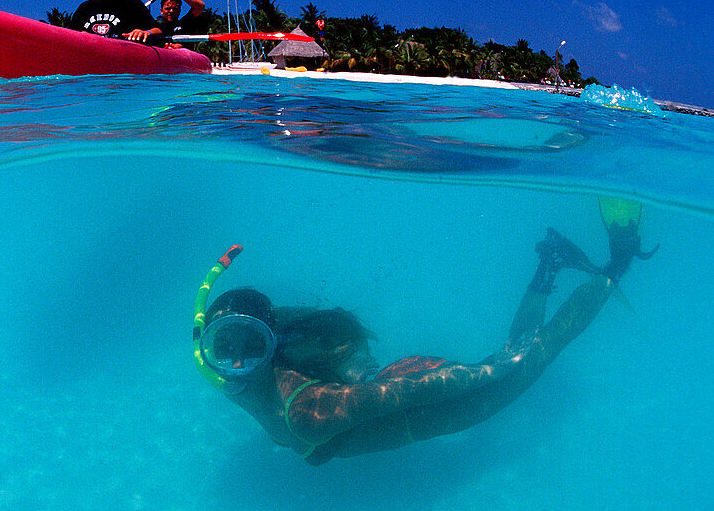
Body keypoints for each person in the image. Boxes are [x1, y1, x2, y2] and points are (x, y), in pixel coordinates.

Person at [192, 199, 656, 465]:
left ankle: (618, 260)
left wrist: (495, 370)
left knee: (530, 360)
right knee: (519, 354)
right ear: (206, 344)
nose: (235, 364)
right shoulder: (233, 374)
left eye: (251, 347)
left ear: (271, 346)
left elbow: (401, 398)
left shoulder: (307, 413)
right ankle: (550, 263)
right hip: (394, 389)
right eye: (224, 346)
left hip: (415, 394)